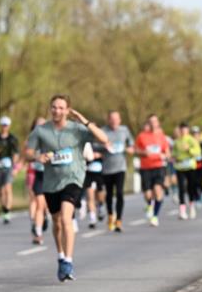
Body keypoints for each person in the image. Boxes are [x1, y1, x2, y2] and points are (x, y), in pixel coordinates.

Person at [26, 95, 108, 282]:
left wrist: (85, 121)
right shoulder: (41, 131)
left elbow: (103, 139)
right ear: (50, 109)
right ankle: (61, 255)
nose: (57, 111)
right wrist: (38, 157)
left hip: (74, 179)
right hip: (51, 182)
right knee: (56, 222)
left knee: (65, 218)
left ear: (68, 110)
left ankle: (68, 261)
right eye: (54, 107)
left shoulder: (78, 129)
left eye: (61, 107)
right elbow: (28, 152)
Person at [134, 115, 171, 226]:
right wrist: (143, 153)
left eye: (155, 121)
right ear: (148, 123)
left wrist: (166, 156)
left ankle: (155, 216)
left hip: (158, 167)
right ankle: (150, 205)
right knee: (148, 195)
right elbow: (135, 150)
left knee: (158, 191)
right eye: (150, 122)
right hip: (145, 168)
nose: (153, 124)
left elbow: (167, 151)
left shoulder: (161, 136)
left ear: (158, 123)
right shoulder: (142, 136)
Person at [101, 110, 134, 232]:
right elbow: (94, 145)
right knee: (109, 194)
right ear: (108, 120)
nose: (114, 121)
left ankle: (119, 220)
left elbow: (131, 143)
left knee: (120, 193)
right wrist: (103, 147)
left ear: (119, 120)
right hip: (107, 168)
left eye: (116, 119)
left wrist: (130, 148)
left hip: (120, 167)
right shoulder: (103, 131)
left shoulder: (124, 130)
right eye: (112, 119)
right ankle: (110, 215)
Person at [0, 116, 20, 223]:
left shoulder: (12, 139)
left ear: (9, 126)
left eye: (6, 125)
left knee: (7, 188)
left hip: (9, 167)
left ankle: (7, 211)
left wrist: (15, 167)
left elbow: (16, 154)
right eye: (3, 125)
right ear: (0, 125)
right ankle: (4, 209)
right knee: (1, 190)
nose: (4, 127)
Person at [25, 117, 49, 244]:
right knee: (39, 203)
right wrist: (36, 157)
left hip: (52, 175)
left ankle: (45, 216)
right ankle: (38, 232)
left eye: (43, 125)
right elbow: (27, 155)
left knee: (45, 205)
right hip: (39, 174)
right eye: (38, 125)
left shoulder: (53, 138)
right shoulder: (32, 140)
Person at [171, 123, 202, 220]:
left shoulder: (192, 140)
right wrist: (175, 157)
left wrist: (189, 150)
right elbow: (174, 152)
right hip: (180, 167)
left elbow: (198, 152)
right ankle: (182, 210)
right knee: (181, 187)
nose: (183, 131)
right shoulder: (177, 141)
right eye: (181, 130)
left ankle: (192, 205)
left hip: (190, 166)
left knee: (190, 187)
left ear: (187, 130)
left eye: (185, 130)